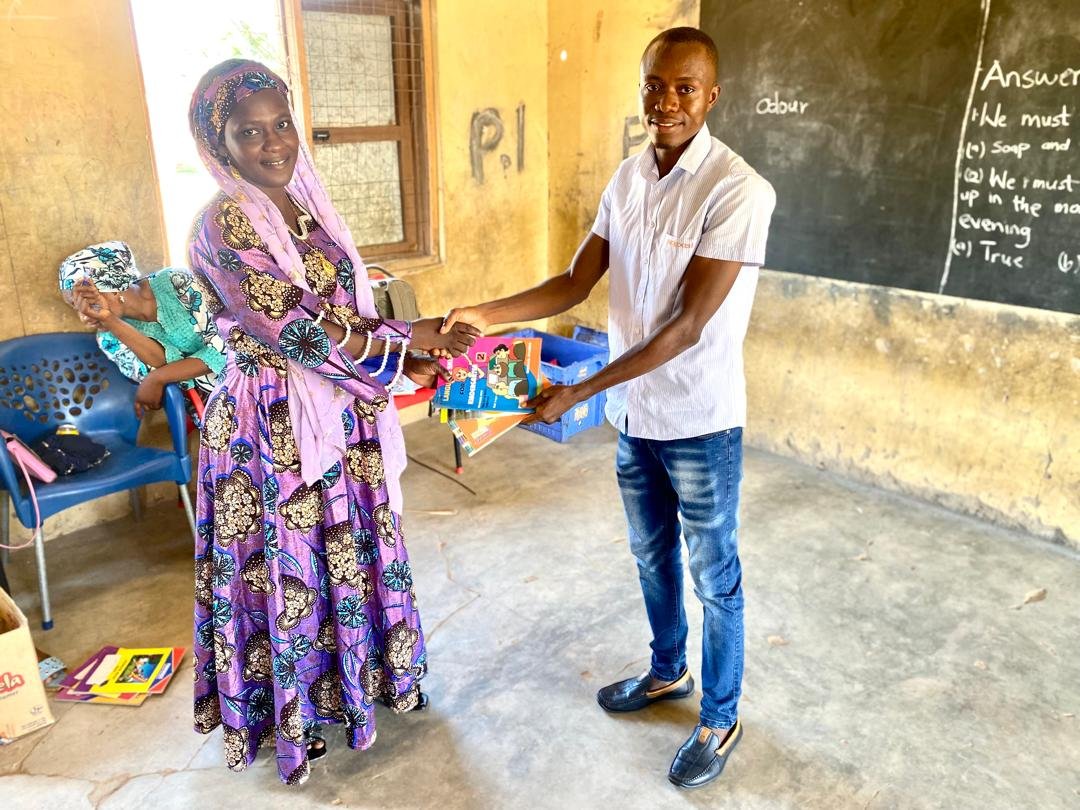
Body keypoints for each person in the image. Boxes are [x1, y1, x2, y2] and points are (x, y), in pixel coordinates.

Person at [441, 28, 775, 789]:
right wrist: (483, 314)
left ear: (711, 96)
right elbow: (571, 283)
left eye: (684, 88)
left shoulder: (738, 191)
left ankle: (720, 718)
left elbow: (686, 327)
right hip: (636, 415)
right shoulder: (627, 179)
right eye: (655, 85)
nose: (667, 101)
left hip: (700, 419)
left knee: (714, 572)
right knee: (650, 555)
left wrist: (581, 389)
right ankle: (667, 673)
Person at [186, 59, 479, 786]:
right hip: (270, 429)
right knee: (288, 566)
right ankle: (294, 716)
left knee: (344, 551)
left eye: (281, 123)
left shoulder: (308, 206)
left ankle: (356, 688)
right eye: (247, 132)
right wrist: (404, 349)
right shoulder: (223, 222)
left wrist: (404, 352)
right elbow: (296, 328)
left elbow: (346, 314)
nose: (273, 143)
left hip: (336, 412)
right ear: (218, 143)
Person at [59, 241, 226, 419]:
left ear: (113, 290)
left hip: (245, 372)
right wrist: (110, 320)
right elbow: (160, 364)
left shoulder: (176, 282)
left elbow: (227, 347)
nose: (84, 316)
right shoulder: (109, 337)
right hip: (210, 404)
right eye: (75, 307)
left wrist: (158, 378)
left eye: (87, 303)